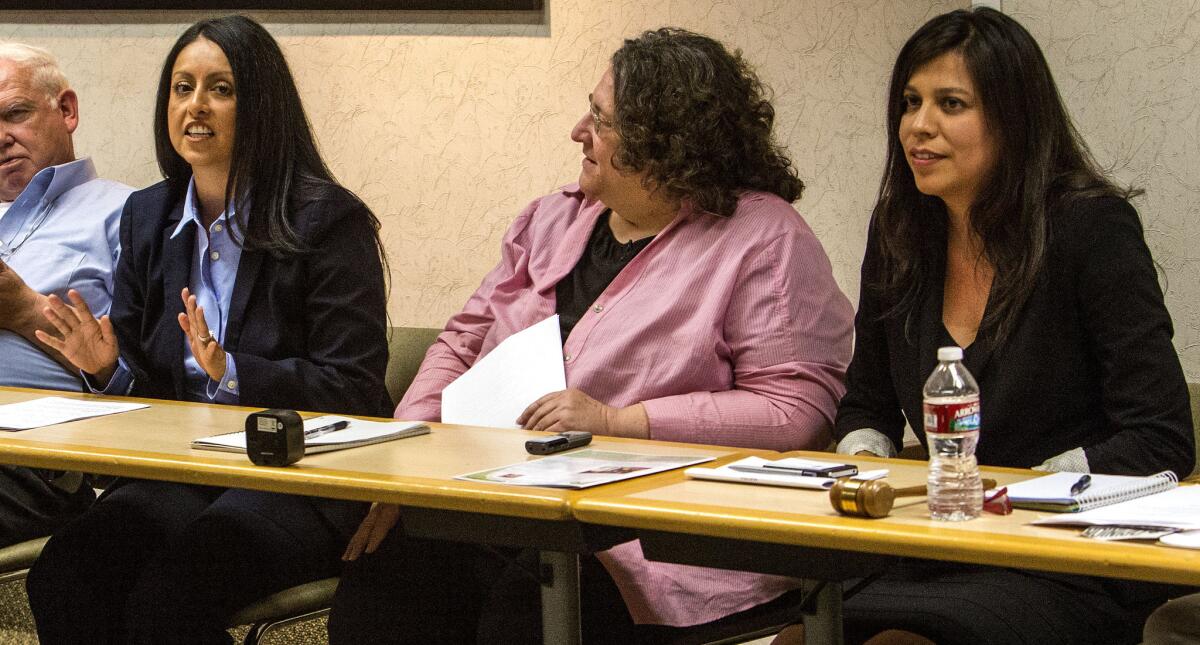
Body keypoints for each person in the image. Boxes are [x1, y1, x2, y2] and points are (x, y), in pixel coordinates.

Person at [327, 27, 854, 644]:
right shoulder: (551, 218)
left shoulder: (764, 237)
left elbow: (794, 412)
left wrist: (620, 419)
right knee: (384, 584)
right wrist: (408, 457)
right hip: (501, 504)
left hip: (647, 543)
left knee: (526, 612)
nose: (579, 130)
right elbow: (462, 342)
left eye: (602, 121)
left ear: (667, 147)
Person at [787, 7, 1193, 645]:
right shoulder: (899, 231)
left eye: (951, 104)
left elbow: (1162, 438)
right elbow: (865, 403)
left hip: (1063, 560)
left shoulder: (1090, 227)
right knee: (805, 636)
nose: (919, 127)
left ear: (1014, 119)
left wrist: (1028, 493)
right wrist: (867, 469)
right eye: (910, 102)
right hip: (933, 547)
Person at [23, 16, 391, 644]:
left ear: (262, 105)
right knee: (66, 572)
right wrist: (105, 366)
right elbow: (146, 393)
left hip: (295, 480)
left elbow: (354, 389)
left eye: (220, 89)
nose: (195, 106)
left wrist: (234, 373)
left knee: (171, 596)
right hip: (186, 472)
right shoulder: (148, 215)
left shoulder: (328, 221)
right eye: (181, 87)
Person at [0, 42, 132, 545]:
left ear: (66, 110)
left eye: (15, 114)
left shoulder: (128, 214)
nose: (1, 137)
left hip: (37, 462)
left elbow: (149, 380)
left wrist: (22, 310)